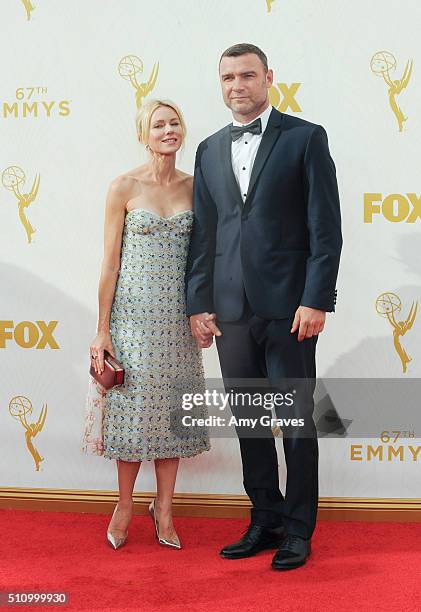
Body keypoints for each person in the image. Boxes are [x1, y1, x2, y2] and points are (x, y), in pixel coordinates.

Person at [186, 43, 342, 570]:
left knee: (296, 420)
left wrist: (317, 298)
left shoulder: (304, 138)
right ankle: (266, 518)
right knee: (250, 420)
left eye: (247, 75)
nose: (237, 85)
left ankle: (299, 529)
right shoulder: (207, 149)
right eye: (227, 76)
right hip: (231, 311)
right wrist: (199, 304)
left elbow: (326, 229)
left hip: (290, 309)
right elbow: (204, 235)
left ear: (268, 77)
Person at [83, 98, 210, 551]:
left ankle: (165, 508)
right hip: (132, 320)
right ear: (144, 134)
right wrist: (102, 328)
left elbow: (205, 259)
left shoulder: (198, 188)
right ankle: (123, 505)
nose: (168, 130)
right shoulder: (123, 186)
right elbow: (110, 263)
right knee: (131, 415)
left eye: (175, 122)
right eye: (159, 124)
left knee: (172, 416)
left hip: (178, 320)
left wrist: (205, 310)